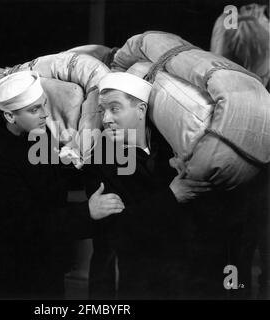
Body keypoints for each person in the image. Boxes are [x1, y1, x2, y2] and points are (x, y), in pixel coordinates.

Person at [0, 70, 125, 299]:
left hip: (47, 258)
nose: (45, 114)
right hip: (17, 271)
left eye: (44, 104)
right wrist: (87, 211)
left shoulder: (38, 131)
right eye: (34, 109)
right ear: (10, 116)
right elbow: (27, 223)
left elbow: (50, 181)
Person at [83, 72, 212, 299]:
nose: (105, 119)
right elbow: (116, 231)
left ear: (141, 110)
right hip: (128, 284)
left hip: (180, 278)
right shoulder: (99, 159)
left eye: (115, 109)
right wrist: (172, 196)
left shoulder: (173, 147)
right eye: (102, 110)